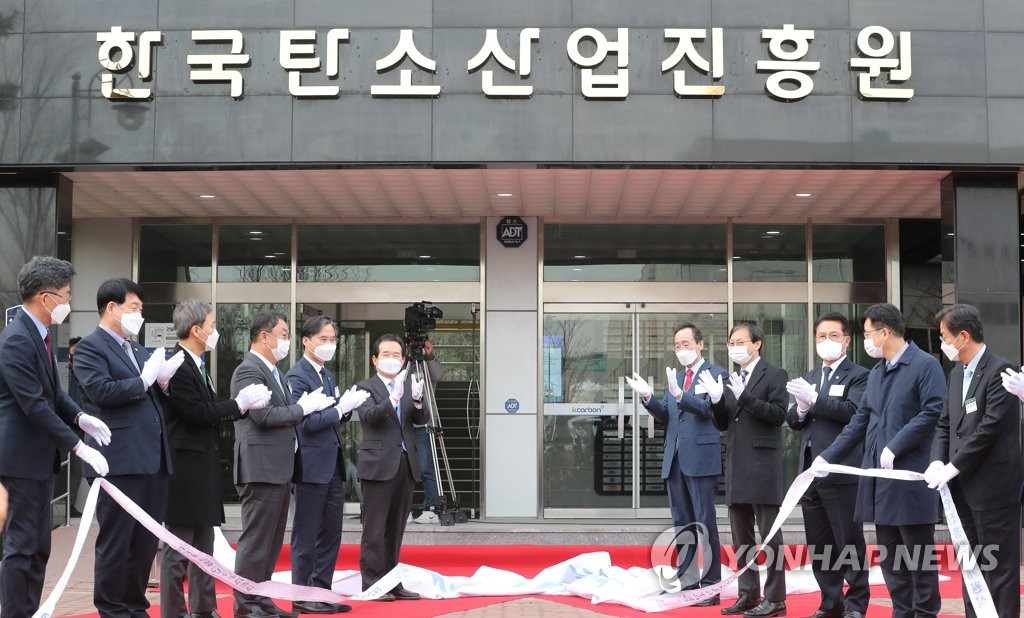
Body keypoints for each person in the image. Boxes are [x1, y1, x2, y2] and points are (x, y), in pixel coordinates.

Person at [814, 303, 944, 618]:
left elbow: (933, 411)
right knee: (891, 559)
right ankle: (901, 612)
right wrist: (826, 458)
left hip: (910, 478)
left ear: (885, 332)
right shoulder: (877, 372)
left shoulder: (925, 365)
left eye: (869, 333)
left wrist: (895, 446)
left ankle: (925, 613)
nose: (867, 340)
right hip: (880, 481)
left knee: (918, 559)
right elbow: (859, 422)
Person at [0, 256, 110, 618]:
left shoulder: (40, 333)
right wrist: (77, 446)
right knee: (22, 546)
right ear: (44, 297)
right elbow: (33, 405)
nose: (67, 302)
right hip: (20, 458)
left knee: (38, 546)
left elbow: (54, 393)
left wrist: (81, 418)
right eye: (64, 295)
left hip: (36, 458)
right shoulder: (16, 338)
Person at [73, 277, 183, 618]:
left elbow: (151, 401)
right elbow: (100, 391)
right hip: (118, 458)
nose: (139, 314)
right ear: (111, 307)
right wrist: (144, 381)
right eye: (134, 307)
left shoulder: (136, 349)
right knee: (117, 541)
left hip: (152, 458)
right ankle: (112, 608)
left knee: (145, 541)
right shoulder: (91, 347)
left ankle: (135, 605)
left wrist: (162, 383)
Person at [160, 300, 271, 618]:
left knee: (203, 545)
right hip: (184, 468)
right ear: (196, 330)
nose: (215, 332)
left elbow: (206, 409)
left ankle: (203, 608)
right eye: (212, 325)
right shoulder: (177, 365)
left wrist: (239, 404)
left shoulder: (197, 363)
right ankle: (173, 612)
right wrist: (237, 404)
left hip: (201, 467)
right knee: (179, 546)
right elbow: (196, 412)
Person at [229, 311, 334, 618]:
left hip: (278, 467)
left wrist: (299, 408)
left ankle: (262, 599)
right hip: (260, 466)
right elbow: (263, 417)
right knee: (256, 540)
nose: (287, 340)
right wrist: (302, 408)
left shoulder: (275, 372)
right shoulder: (248, 371)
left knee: (272, 542)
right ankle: (246, 604)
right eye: (284, 334)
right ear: (265, 336)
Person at [925, 304, 1020, 618]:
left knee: (999, 568)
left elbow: (989, 429)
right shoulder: (955, 375)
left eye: (944, 336)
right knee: (970, 564)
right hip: (960, 490)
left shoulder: (1000, 370)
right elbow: (944, 424)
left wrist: (954, 465)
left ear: (963, 337)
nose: (942, 343)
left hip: (992, 489)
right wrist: (937, 461)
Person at [625, 322, 727, 606]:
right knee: (682, 524)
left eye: (686, 343)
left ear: (700, 344)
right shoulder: (676, 376)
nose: (681, 349)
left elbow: (711, 410)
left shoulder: (716, 374)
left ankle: (711, 586)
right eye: (677, 345)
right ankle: (688, 580)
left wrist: (683, 396)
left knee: (705, 522)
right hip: (675, 459)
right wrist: (648, 397)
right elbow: (667, 418)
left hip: (702, 459)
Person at [785, 313, 870, 618]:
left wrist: (816, 399)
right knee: (820, 543)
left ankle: (856, 604)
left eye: (833, 336)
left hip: (841, 468)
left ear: (847, 340)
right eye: (821, 336)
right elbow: (794, 422)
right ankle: (830, 602)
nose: (826, 342)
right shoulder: (810, 376)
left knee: (848, 540)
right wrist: (801, 408)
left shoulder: (859, 375)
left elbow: (853, 411)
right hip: (810, 470)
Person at [702, 322, 788, 617]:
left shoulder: (774, 374)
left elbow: (778, 415)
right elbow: (724, 423)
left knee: (769, 535)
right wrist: (716, 401)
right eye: (731, 342)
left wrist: (747, 398)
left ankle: (776, 599)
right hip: (737, 466)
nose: (735, 347)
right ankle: (748, 594)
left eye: (741, 341)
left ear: (757, 343)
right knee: (741, 537)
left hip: (763, 467)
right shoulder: (731, 379)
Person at [284, 315, 368, 614]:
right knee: (307, 534)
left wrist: (344, 409)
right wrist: (340, 410)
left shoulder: (327, 375)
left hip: (331, 465)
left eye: (333, 340)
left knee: (331, 532)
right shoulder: (297, 376)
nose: (329, 345)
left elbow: (329, 417)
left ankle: (322, 591)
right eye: (323, 339)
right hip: (308, 465)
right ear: (306, 340)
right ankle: (302, 595)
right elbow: (304, 423)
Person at [353, 334, 427, 601]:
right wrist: (392, 400)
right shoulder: (365, 386)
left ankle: (392, 581)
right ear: (375, 359)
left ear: (404, 360)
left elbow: (421, 419)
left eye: (397, 355)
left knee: (396, 529)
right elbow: (370, 417)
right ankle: (373, 584)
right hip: (378, 466)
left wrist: (417, 401)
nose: (392, 359)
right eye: (386, 354)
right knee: (374, 529)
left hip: (405, 465)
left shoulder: (408, 386)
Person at [411, 336, 444, 524]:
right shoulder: (404, 364)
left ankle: (431, 507)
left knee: (426, 467)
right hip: (402, 424)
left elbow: (438, 375)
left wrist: (429, 355)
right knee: (400, 469)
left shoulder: (427, 364)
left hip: (424, 424)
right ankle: (402, 509)